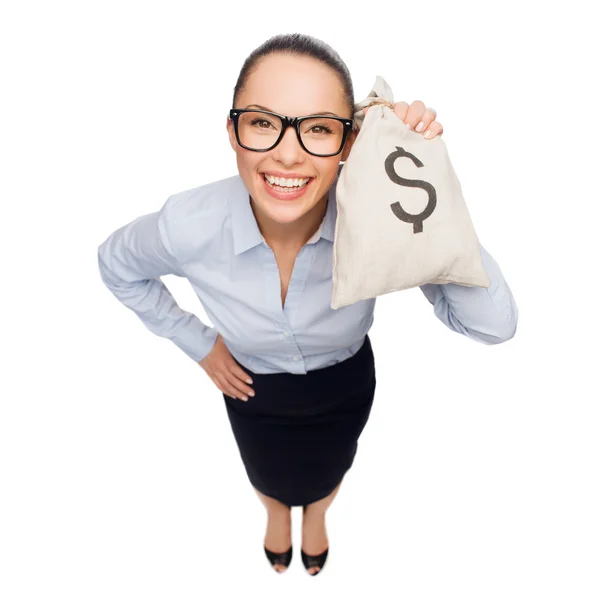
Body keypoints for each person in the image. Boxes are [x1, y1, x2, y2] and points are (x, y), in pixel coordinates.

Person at [97, 33, 518, 576]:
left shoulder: (379, 214)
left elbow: (493, 326)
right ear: (233, 131)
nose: (288, 152)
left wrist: (420, 182)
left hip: (343, 382)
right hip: (250, 384)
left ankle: (316, 515)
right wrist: (199, 344)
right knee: (264, 472)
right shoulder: (187, 224)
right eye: (262, 121)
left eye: (319, 128)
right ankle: (276, 514)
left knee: (333, 464)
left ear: (348, 143)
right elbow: (116, 265)